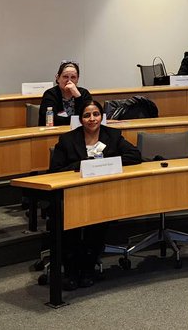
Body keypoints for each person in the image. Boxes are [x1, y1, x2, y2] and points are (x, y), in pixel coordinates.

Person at [49, 99, 142, 289]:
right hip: (73, 196)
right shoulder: (67, 140)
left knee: (97, 225)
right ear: (81, 119)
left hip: (102, 195)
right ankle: (72, 272)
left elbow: (134, 156)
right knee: (71, 228)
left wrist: (105, 163)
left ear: (102, 116)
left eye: (96, 114)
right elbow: (56, 169)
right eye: (87, 115)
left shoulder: (113, 136)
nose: (92, 119)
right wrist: (84, 165)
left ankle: (89, 268)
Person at [39, 61, 93, 126]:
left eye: (73, 77)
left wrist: (78, 97)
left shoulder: (84, 93)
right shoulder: (50, 94)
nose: (69, 81)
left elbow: (89, 116)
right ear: (58, 78)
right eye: (65, 77)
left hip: (80, 132)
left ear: (77, 79)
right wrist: (76, 120)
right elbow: (52, 120)